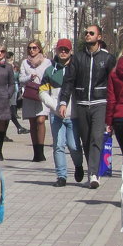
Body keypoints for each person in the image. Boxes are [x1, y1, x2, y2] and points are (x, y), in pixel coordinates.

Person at [57, 24, 116, 189]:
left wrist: (113, 109)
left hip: (100, 103)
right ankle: (92, 170)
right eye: (86, 33)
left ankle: (94, 174)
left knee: (97, 137)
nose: (88, 35)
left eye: (91, 33)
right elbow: (68, 81)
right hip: (81, 103)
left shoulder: (108, 58)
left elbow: (113, 84)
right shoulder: (77, 58)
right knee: (86, 140)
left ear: (99, 37)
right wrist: (63, 102)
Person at [41, 38, 83, 186]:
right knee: (58, 145)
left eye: (66, 50)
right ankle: (61, 176)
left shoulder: (77, 69)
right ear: (57, 51)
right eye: (61, 49)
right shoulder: (50, 70)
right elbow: (43, 92)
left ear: (71, 51)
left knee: (73, 145)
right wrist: (55, 106)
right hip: (56, 115)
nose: (63, 52)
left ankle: (78, 165)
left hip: (73, 115)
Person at [18, 40, 52, 162]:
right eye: (30, 48)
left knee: (41, 120)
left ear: (39, 49)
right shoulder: (25, 63)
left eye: (34, 48)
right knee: (32, 123)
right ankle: (36, 152)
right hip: (30, 95)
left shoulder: (47, 62)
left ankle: (41, 150)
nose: (32, 50)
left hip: (42, 94)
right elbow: (21, 79)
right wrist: (29, 77)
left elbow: (50, 77)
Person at [8, 56, 29, 136]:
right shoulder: (6, 69)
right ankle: (19, 127)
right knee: (9, 112)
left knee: (10, 111)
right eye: (10, 60)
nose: (12, 63)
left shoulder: (11, 70)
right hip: (4, 93)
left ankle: (18, 127)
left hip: (11, 90)